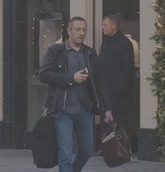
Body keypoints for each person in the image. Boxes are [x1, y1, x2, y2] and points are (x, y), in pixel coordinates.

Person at [39, 17, 105, 172]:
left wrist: (105, 107)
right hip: (63, 110)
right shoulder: (56, 51)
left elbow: (98, 82)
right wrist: (71, 78)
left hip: (84, 109)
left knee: (87, 150)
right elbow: (44, 75)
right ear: (69, 31)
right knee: (66, 154)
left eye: (84, 29)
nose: (81, 33)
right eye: (77, 29)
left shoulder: (89, 53)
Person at [97, 13, 135, 140]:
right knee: (105, 119)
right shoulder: (106, 42)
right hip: (105, 89)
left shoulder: (125, 44)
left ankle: (120, 149)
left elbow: (127, 68)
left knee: (119, 121)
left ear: (114, 26)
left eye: (105, 25)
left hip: (118, 92)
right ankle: (106, 148)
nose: (102, 27)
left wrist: (120, 88)